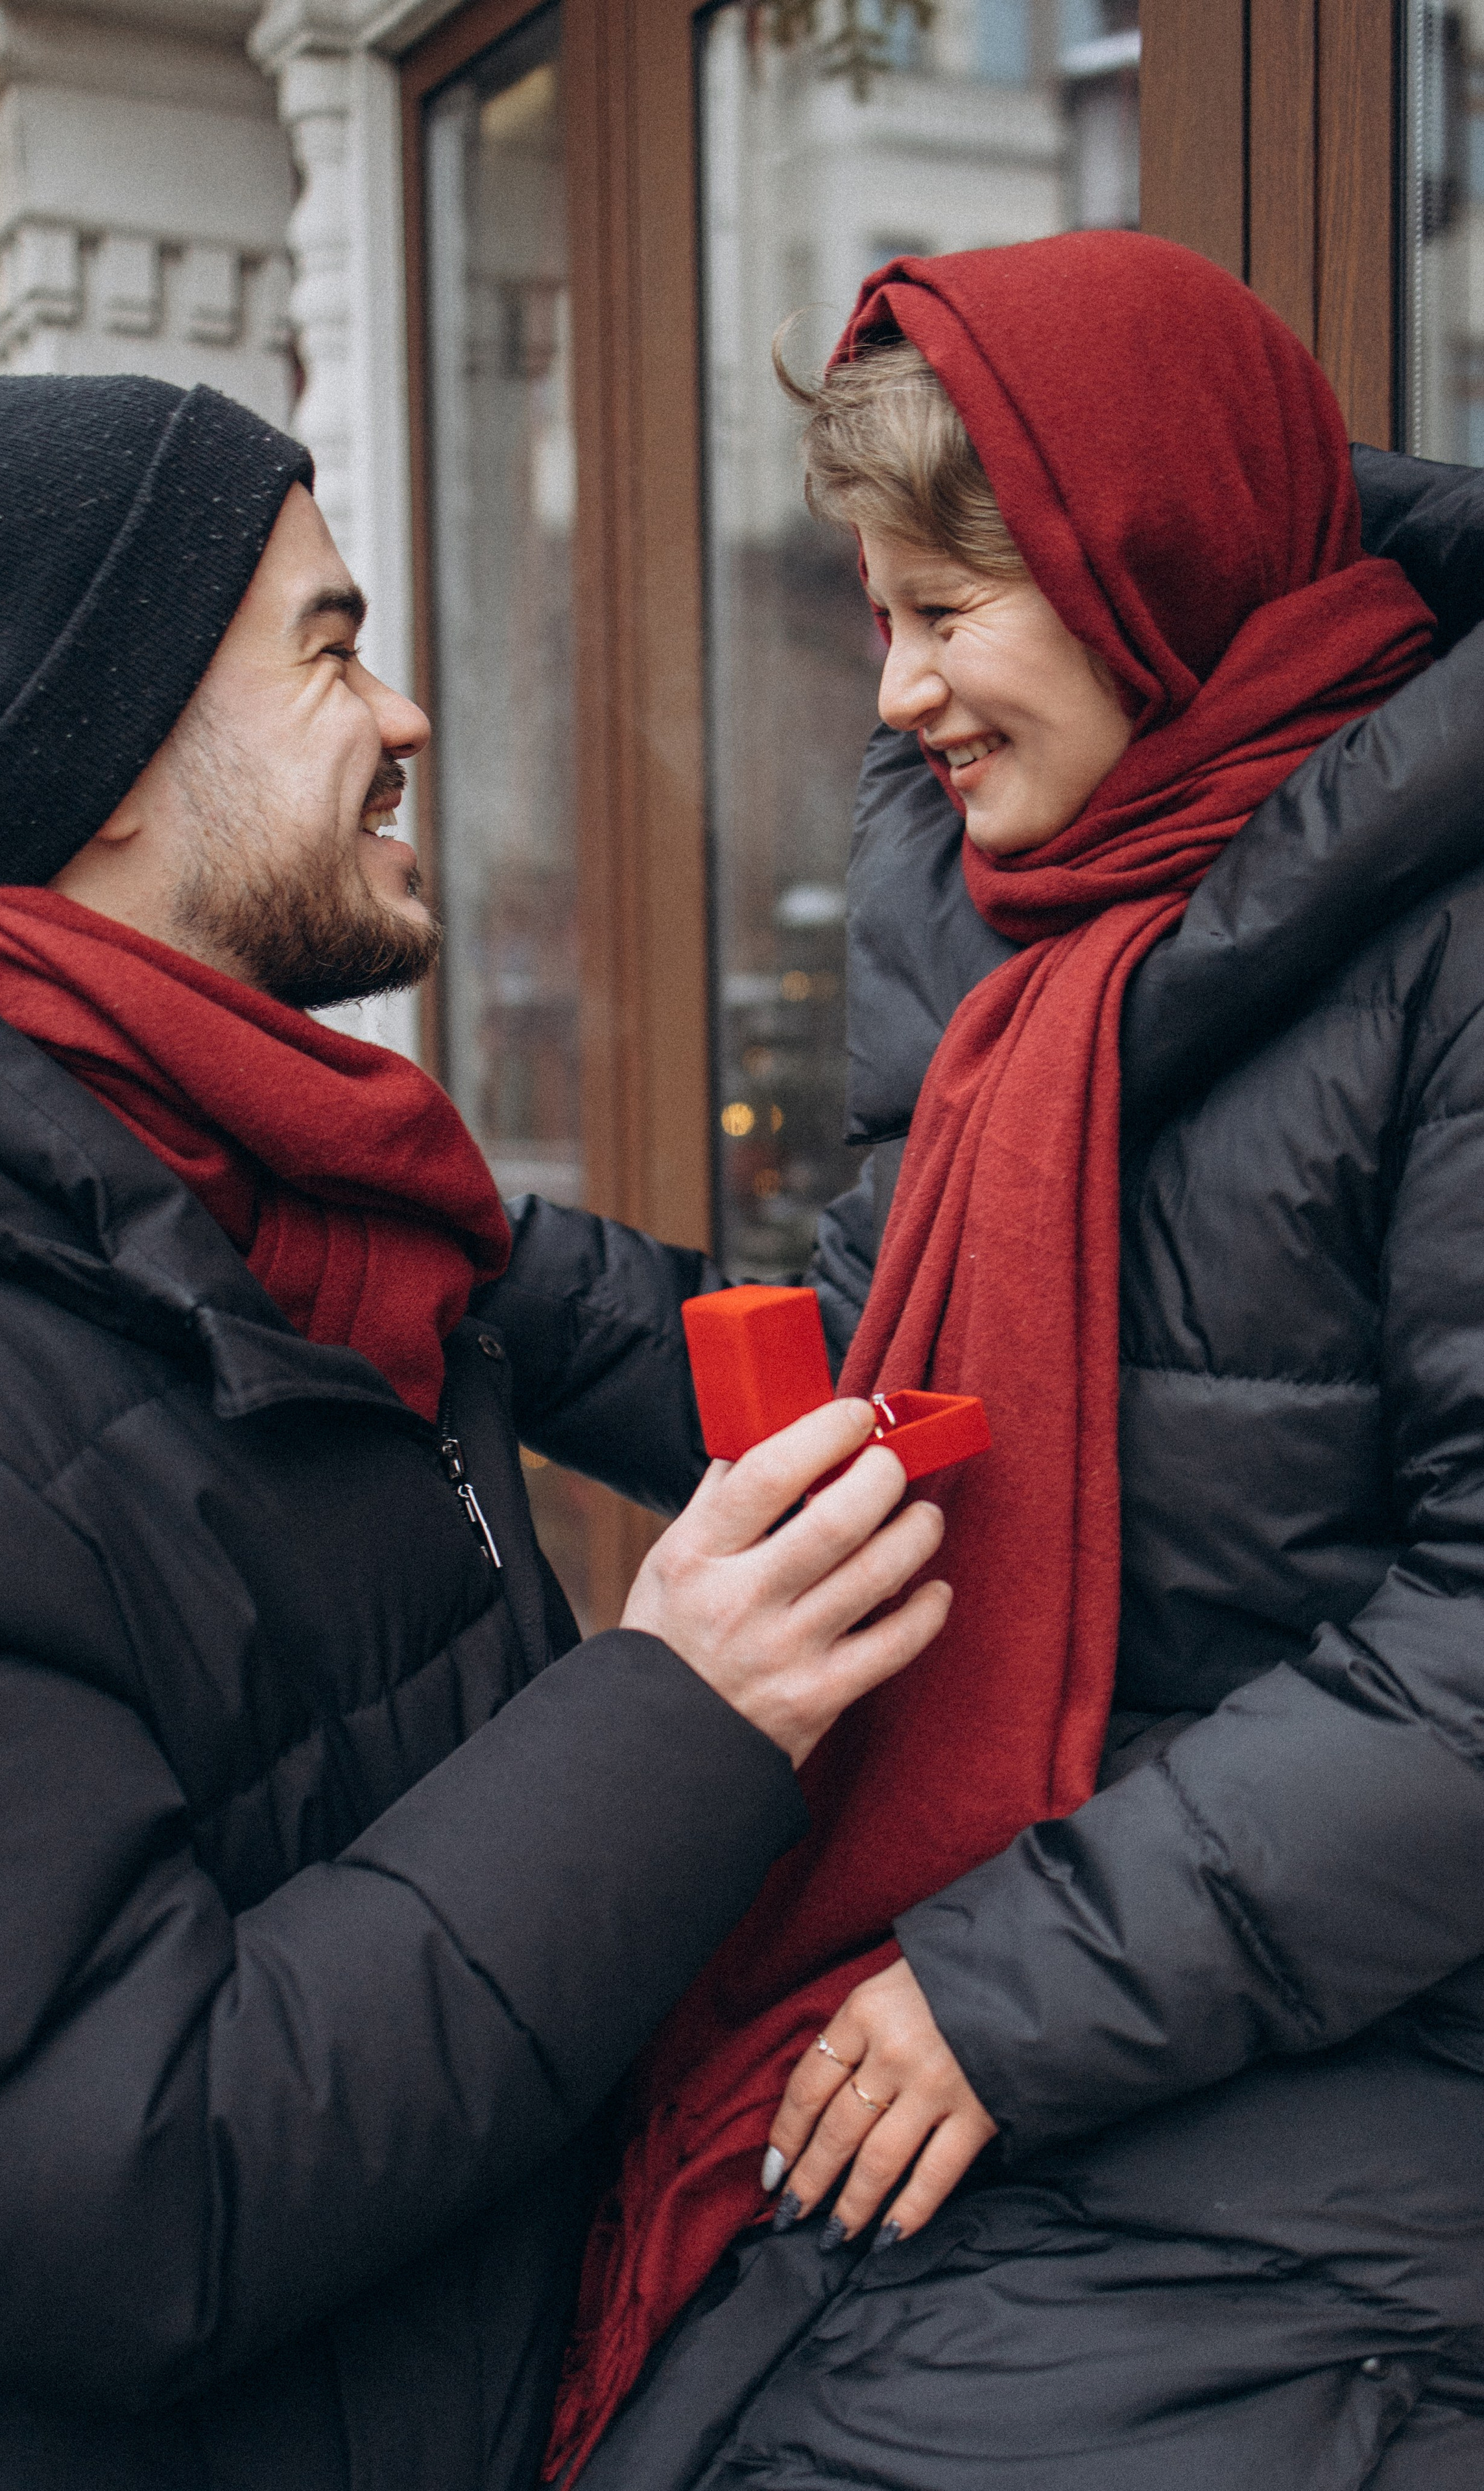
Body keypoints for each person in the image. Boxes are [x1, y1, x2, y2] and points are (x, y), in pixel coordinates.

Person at [0, 374, 955, 2491]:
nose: (409, 714)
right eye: (331, 648)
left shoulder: (298, 1201)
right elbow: (113, 2196)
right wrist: (677, 1708)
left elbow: (717, 1321)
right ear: (96, 753)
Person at [548, 232, 1484, 2490]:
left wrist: (1020, 1989)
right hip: (1091, 1981)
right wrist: (471, 1278)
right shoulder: (1022, 957)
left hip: (1359, 2059)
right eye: (880, 619)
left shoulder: (1449, 953)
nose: (893, 695)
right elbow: (877, 1396)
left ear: (1142, 571)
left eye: (945, 613)